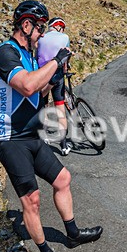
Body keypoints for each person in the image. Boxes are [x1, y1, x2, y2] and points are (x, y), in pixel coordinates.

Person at [0, 0, 103, 252]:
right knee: (32, 200)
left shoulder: (30, 56)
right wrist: (55, 62)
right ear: (26, 25)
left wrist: (55, 79)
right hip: (10, 138)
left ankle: (73, 233)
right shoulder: (6, 53)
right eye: (40, 28)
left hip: (32, 136)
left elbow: (38, 96)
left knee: (63, 179)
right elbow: (27, 86)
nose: (43, 34)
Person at [37, 17, 72, 155]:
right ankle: (63, 145)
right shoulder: (65, 37)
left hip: (42, 75)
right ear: (60, 27)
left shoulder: (41, 37)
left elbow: (36, 55)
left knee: (44, 105)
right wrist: (66, 67)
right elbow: (67, 55)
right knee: (60, 108)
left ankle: (45, 137)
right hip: (57, 75)